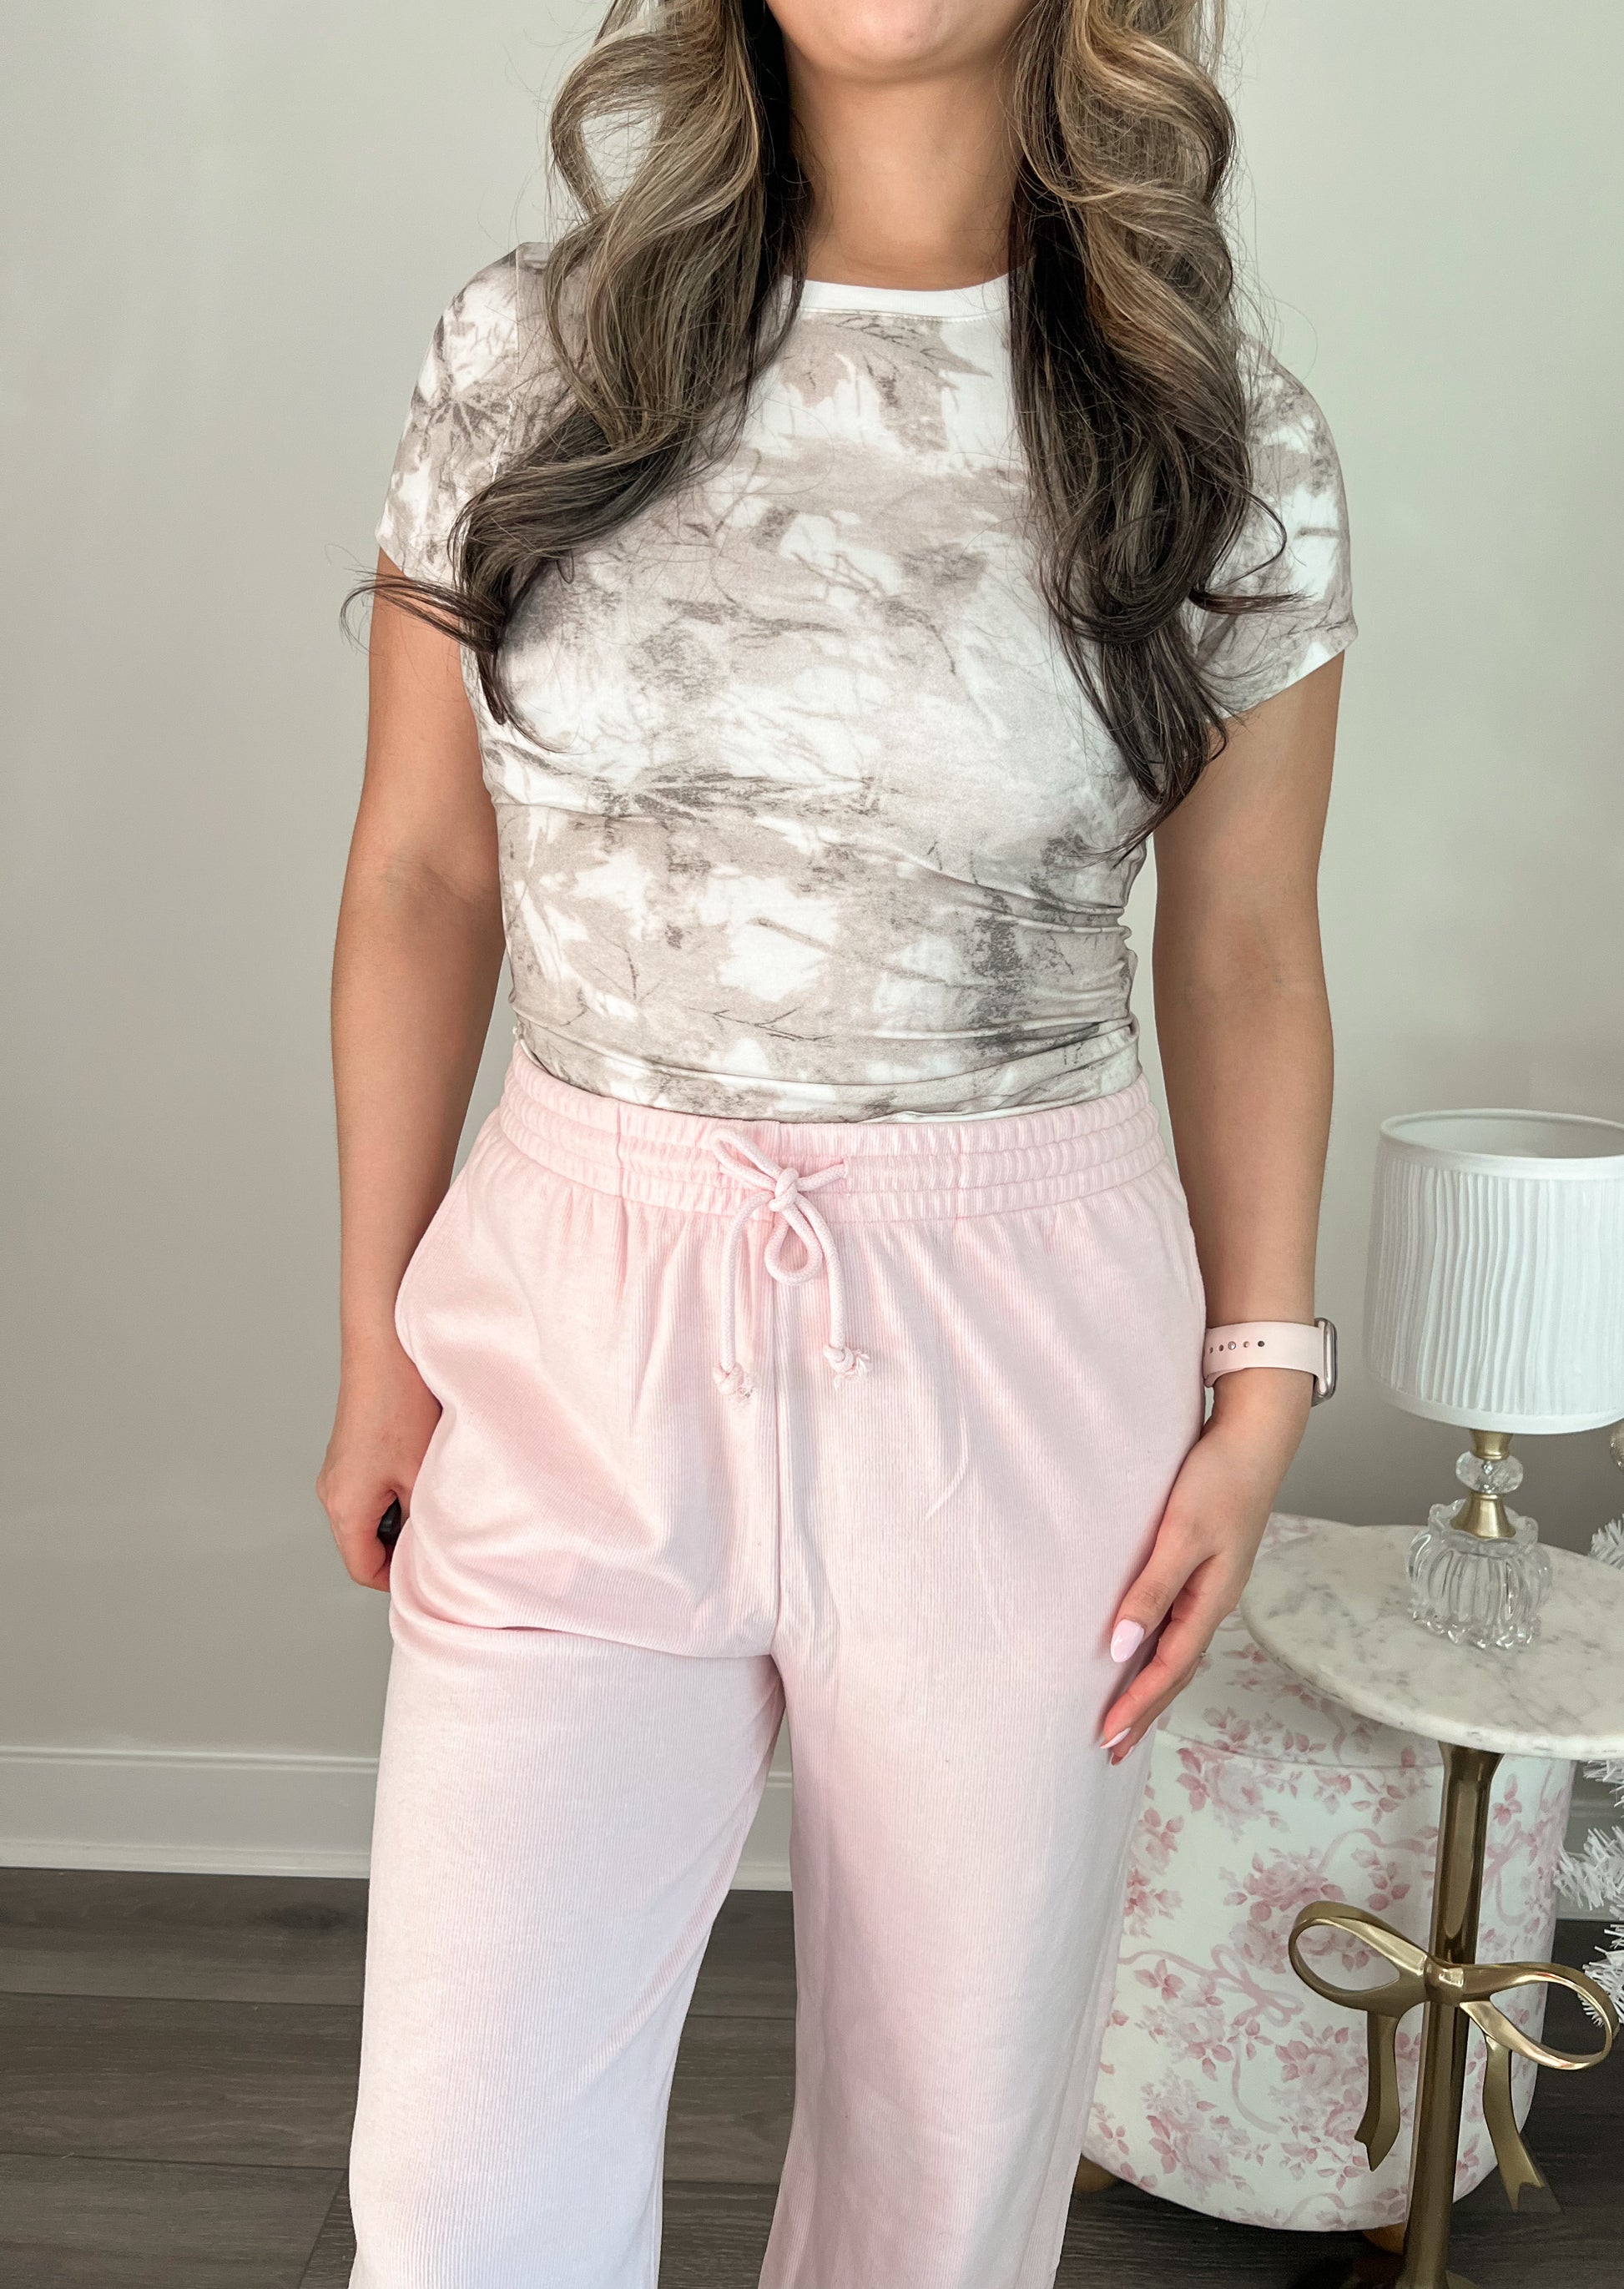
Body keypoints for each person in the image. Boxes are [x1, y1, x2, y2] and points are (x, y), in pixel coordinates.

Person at [317, 2, 1354, 2282]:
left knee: (939, 2188)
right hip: (574, 1307)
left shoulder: (1211, 431)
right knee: (464, 2210)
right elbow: (421, 872)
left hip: (1021, 1340)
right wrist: (381, 1334)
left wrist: (1261, 1383)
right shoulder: (528, 357)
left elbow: (1245, 952)